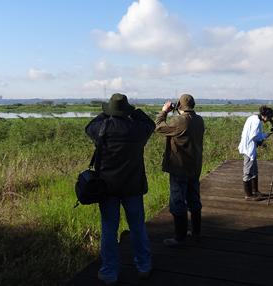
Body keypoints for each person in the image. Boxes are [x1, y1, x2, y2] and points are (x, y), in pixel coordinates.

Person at [85, 93, 155, 285]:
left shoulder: (101, 128)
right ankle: (144, 266)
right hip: (133, 187)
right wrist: (136, 111)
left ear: (110, 110)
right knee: (138, 228)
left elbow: (88, 126)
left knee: (109, 230)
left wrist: (105, 114)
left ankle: (109, 272)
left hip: (107, 189)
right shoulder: (137, 129)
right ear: (127, 110)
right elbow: (151, 124)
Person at [155, 94, 205, 247]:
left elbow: (158, 127)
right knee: (194, 199)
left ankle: (179, 237)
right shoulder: (199, 120)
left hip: (180, 168)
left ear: (179, 106)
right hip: (194, 166)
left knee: (177, 202)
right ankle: (196, 232)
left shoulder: (179, 121)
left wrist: (164, 111)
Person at [238, 105, 273, 201]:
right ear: (265, 116)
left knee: (254, 171)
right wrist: (264, 136)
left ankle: (255, 191)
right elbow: (254, 136)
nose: (269, 120)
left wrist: (263, 136)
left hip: (248, 147)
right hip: (248, 149)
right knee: (248, 172)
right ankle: (248, 195)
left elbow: (253, 135)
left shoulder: (252, 117)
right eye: (269, 117)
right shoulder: (257, 122)